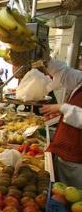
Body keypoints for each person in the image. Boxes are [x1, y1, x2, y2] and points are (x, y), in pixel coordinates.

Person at [40, 52, 82, 188]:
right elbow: (64, 73)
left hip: (77, 158)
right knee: (62, 193)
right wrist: (45, 57)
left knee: (72, 200)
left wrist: (62, 108)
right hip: (67, 151)